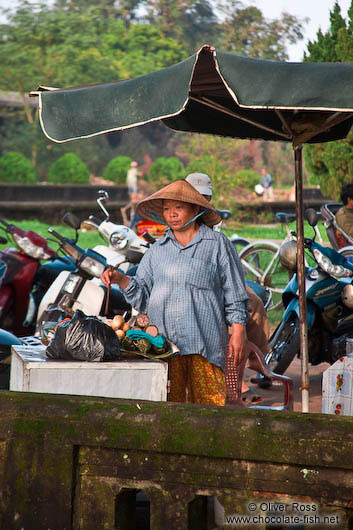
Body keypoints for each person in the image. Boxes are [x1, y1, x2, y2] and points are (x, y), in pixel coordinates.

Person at [101, 179, 249, 406]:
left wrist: (238, 331)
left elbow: (234, 292)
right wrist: (121, 279)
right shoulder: (156, 251)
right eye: (167, 209)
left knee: (209, 411)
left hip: (205, 345)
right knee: (169, 409)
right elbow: (142, 297)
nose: (172, 215)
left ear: (196, 209)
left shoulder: (218, 245)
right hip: (164, 347)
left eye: (178, 208)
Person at [186, 172, 270, 402]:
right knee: (223, 315)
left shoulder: (213, 222)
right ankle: (238, 381)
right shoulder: (180, 219)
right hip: (193, 285)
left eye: (205, 197)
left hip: (218, 279)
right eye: (197, 196)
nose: (202, 201)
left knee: (251, 301)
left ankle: (257, 355)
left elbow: (222, 260)